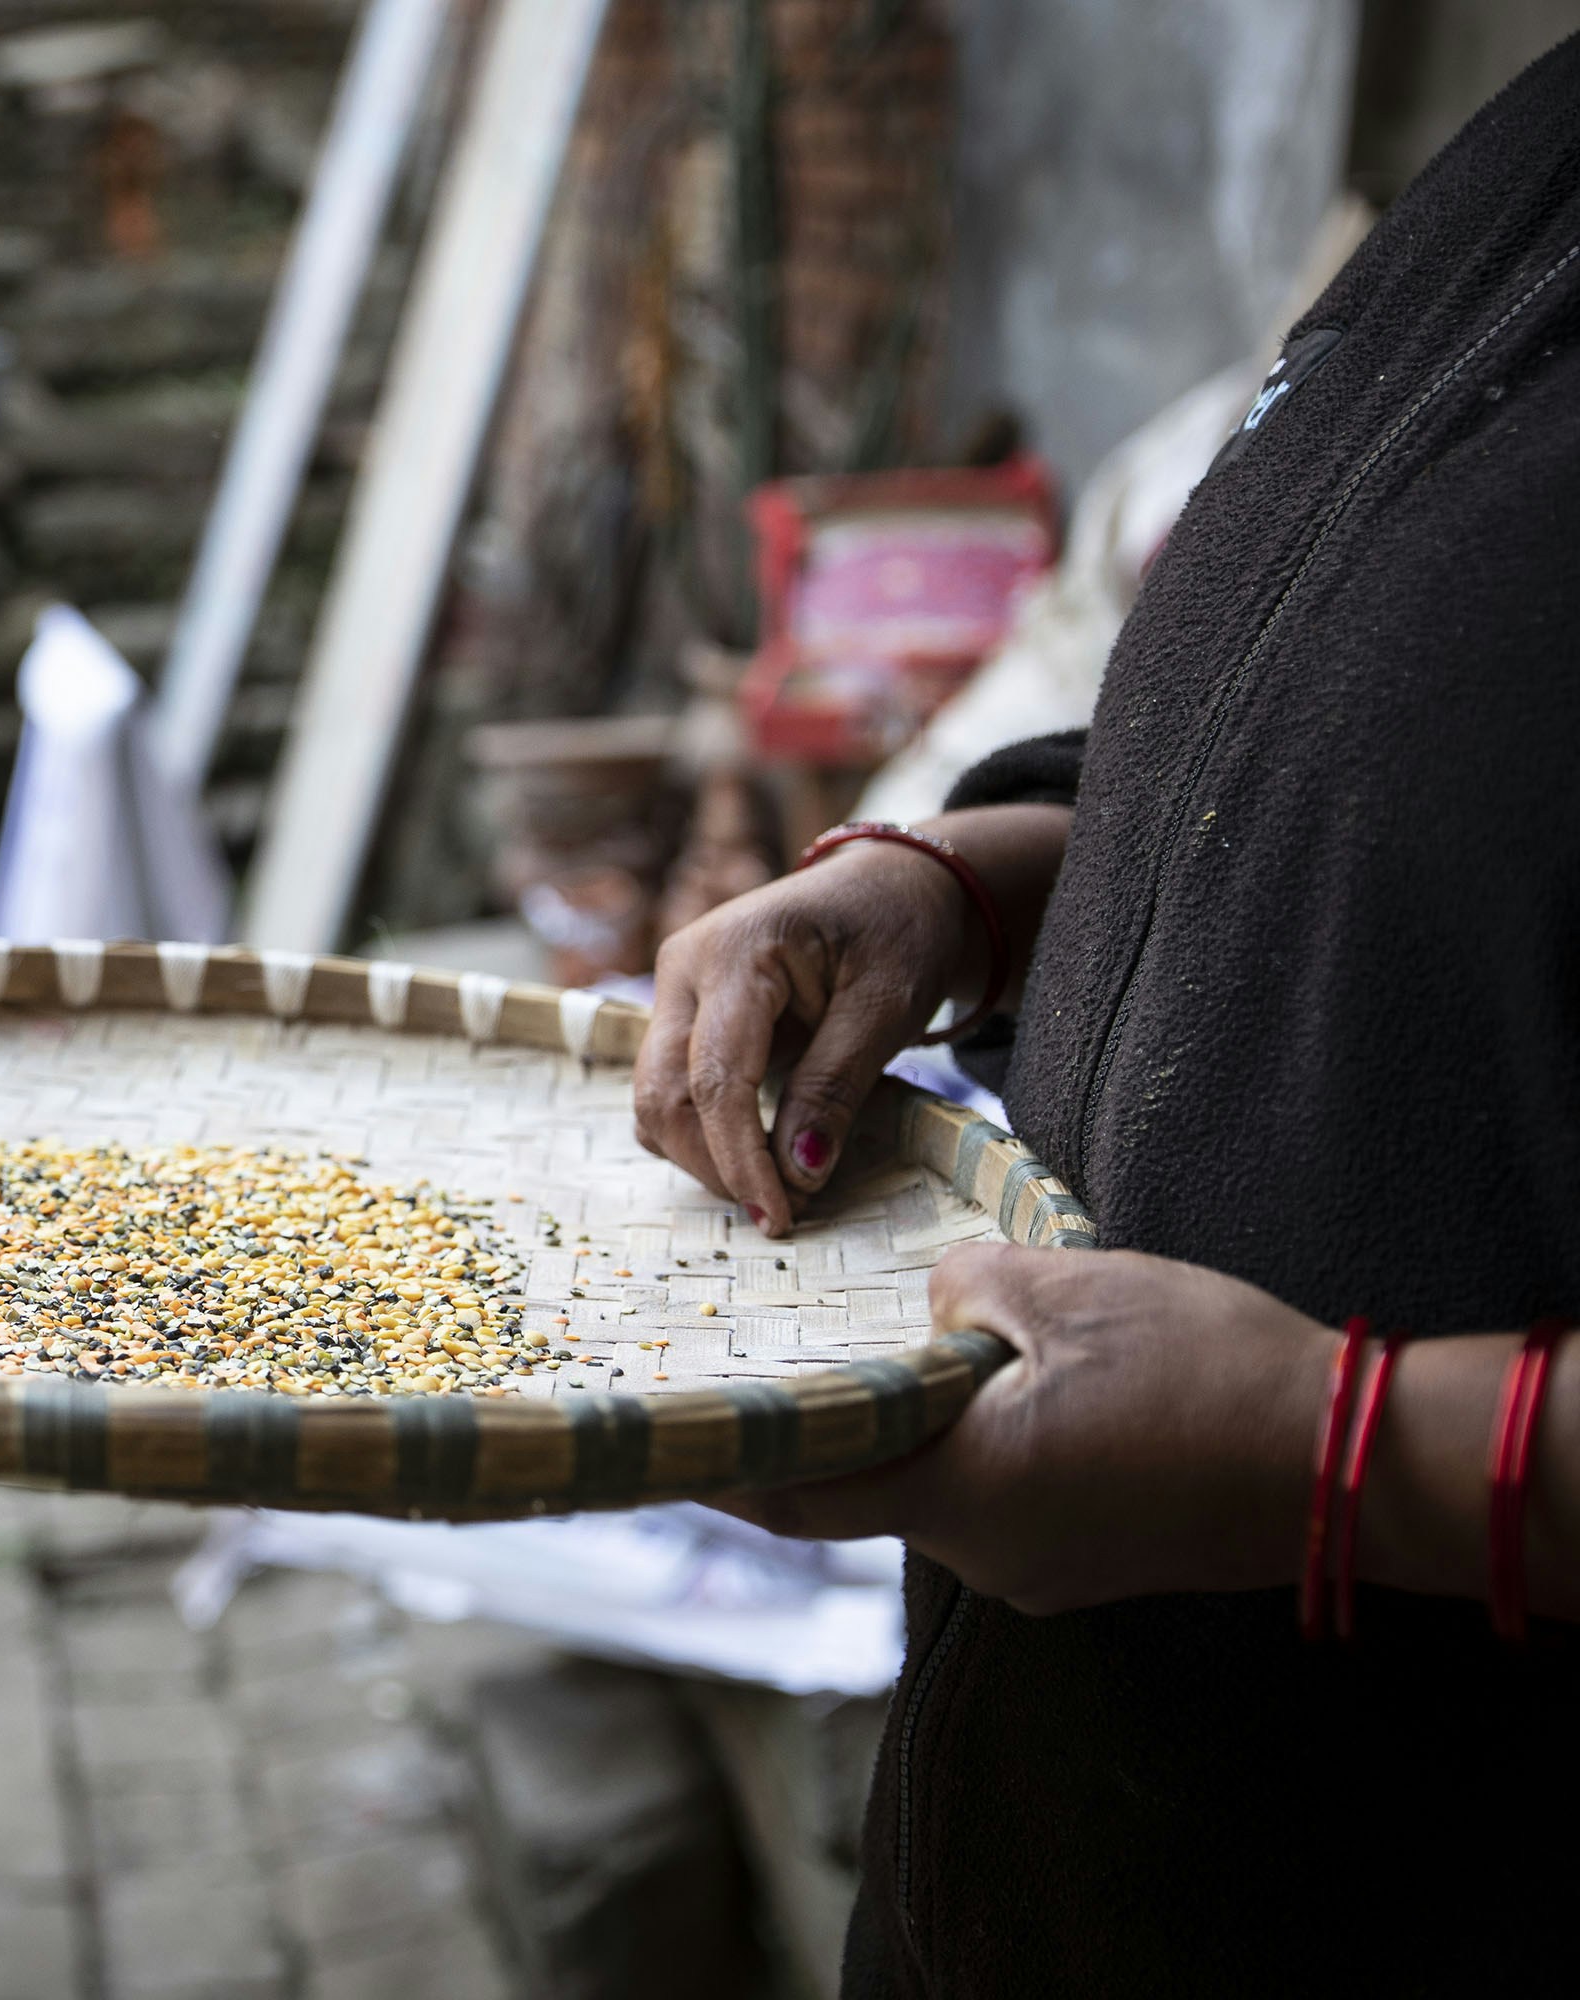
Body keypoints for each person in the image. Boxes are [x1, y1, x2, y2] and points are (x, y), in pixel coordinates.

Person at [631, 33, 1580, 1994]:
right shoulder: (1535, 145)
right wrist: (959, 882)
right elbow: (1382, 787)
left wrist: (1341, 1458)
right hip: (1089, 1857)